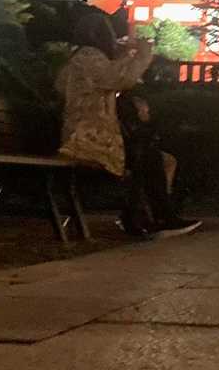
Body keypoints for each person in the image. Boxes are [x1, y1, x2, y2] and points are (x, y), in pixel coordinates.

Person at [56, 12, 156, 230]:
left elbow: (109, 77)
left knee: (150, 156)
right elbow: (120, 79)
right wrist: (142, 54)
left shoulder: (78, 58)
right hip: (86, 137)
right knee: (148, 155)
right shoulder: (89, 57)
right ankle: (147, 217)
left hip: (82, 132)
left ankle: (147, 216)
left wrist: (124, 57)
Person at [119, 94, 200, 237]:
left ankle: (162, 211)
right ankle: (161, 214)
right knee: (148, 159)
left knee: (158, 159)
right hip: (125, 151)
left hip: (130, 148)